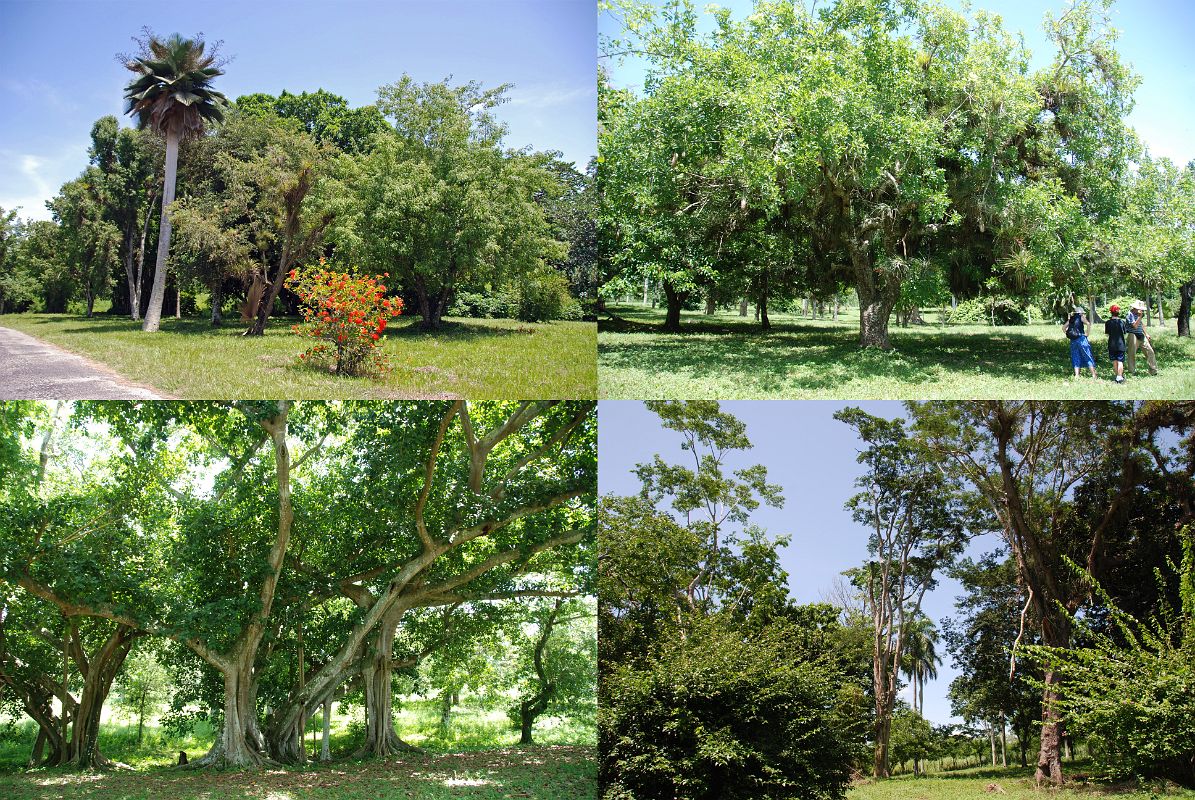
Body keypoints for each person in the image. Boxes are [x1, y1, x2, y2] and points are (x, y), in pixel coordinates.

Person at [1125, 300, 1158, 376]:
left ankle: (1153, 370)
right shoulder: (1130, 314)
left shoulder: (1139, 314)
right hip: (1132, 335)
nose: (1142, 310)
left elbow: (1141, 324)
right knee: (1132, 353)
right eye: (1140, 309)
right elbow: (1135, 326)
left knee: (1150, 351)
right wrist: (1140, 316)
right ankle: (1131, 371)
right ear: (1135, 308)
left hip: (1141, 335)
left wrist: (1146, 334)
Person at [1064, 305, 1097, 379]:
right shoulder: (1081, 317)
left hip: (1073, 340)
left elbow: (1063, 327)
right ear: (1080, 313)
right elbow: (1088, 324)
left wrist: (1068, 333)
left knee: (1075, 356)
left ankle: (1077, 375)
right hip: (1081, 339)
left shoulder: (1071, 319)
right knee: (1087, 356)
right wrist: (1087, 333)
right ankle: (1093, 375)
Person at [1104, 304, 1127, 383]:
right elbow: (1124, 333)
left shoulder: (1108, 322)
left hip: (1111, 344)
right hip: (1121, 344)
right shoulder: (1122, 322)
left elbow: (1107, 334)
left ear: (1111, 312)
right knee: (1120, 361)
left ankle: (1117, 376)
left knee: (1114, 360)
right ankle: (1120, 377)